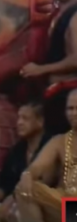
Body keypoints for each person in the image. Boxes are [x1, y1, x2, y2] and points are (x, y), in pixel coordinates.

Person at [0, 102, 51, 222]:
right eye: (19, 118)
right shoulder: (17, 150)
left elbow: (42, 185)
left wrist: (12, 201)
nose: (19, 123)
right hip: (14, 205)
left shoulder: (52, 146)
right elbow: (2, 188)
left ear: (40, 121)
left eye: (25, 119)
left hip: (41, 206)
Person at [21, 0, 77, 134]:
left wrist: (41, 69)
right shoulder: (58, 12)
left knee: (64, 148)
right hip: (54, 92)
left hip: (67, 93)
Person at [15, 89, 77, 222]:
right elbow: (39, 165)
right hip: (65, 204)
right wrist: (28, 174)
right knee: (24, 189)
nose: (74, 113)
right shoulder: (60, 141)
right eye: (70, 108)